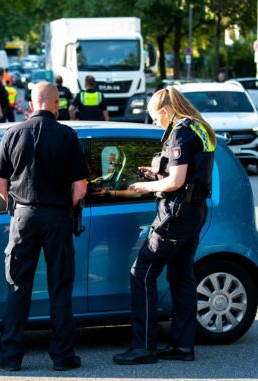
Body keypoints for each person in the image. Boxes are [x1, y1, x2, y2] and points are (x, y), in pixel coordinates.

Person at [112, 86, 215, 365]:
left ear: (166, 110)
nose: (155, 122)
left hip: (176, 213)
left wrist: (146, 185)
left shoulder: (180, 131)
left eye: (155, 117)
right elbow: (187, 172)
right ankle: (183, 347)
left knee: (142, 273)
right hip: (193, 211)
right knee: (181, 277)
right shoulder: (198, 127)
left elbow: (176, 182)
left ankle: (143, 347)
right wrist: (157, 172)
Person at [0, 81, 89, 372]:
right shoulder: (68, 136)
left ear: (31, 105)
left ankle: (10, 357)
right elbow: (81, 187)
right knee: (60, 287)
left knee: (18, 286)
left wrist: (17, 208)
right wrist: (63, 208)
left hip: (23, 216)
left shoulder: (13, 133)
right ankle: (63, 357)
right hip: (58, 217)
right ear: (56, 104)